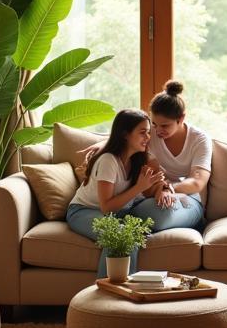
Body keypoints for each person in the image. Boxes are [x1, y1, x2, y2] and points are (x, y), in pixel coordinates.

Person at [65, 108, 165, 278]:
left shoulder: (137, 158)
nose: (148, 138)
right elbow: (106, 208)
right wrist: (139, 187)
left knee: (131, 232)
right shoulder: (108, 161)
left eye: (148, 132)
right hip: (83, 211)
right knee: (120, 236)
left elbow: (159, 178)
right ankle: (106, 296)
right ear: (125, 134)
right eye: (142, 133)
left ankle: (126, 290)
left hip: (116, 214)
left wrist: (162, 187)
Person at [131, 80, 210, 232]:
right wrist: (101, 144)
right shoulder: (150, 133)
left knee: (161, 216)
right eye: (154, 124)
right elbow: (123, 138)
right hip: (155, 196)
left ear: (181, 119)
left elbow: (197, 182)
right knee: (147, 212)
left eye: (165, 125)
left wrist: (168, 188)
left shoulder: (199, 139)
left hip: (188, 198)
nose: (158, 130)